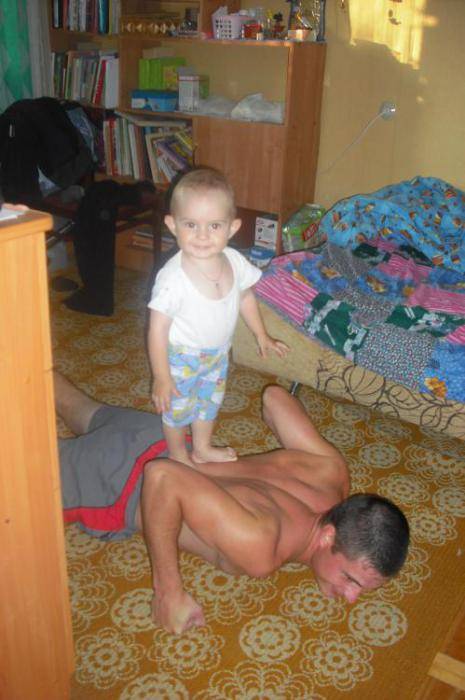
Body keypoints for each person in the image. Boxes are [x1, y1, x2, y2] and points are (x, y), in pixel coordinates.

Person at [55, 371, 410, 636]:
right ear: (328, 536)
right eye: (350, 580)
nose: (350, 597)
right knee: (25, 481)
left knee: (59, 394)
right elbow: (162, 478)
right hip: (119, 481)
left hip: (162, 435)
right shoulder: (262, 547)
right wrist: (169, 593)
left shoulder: (333, 474)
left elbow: (275, 400)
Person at [147, 167, 288, 466]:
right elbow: (157, 329)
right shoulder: (172, 278)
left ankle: (202, 447)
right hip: (181, 358)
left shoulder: (235, 261)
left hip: (217, 354)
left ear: (232, 228)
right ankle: (177, 454)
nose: (202, 236)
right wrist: (161, 376)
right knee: (177, 409)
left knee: (208, 403)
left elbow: (245, 297)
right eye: (190, 224)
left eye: (214, 226)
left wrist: (261, 334)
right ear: (172, 225)